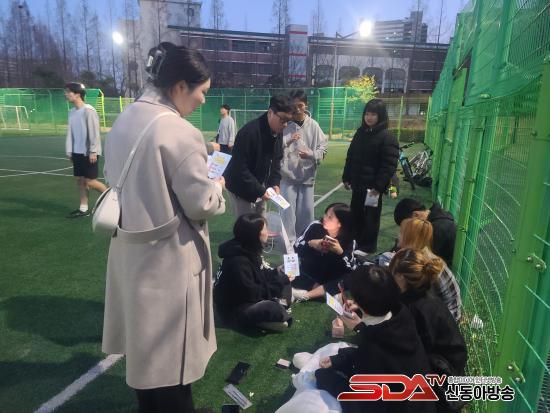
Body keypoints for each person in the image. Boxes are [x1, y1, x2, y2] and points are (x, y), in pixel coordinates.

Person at [102, 42, 225, 413]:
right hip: (168, 260)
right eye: (202, 91)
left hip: (130, 253)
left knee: (146, 357)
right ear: (180, 86)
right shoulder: (179, 131)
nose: (203, 100)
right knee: (173, 366)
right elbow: (201, 204)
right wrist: (217, 187)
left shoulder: (125, 118)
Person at [315, 265, 436, 413]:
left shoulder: (372, 349)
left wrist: (326, 379)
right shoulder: (402, 313)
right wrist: (340, 358)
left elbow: (362, 405)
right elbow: (387, 354)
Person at [389, 248, 467, 412]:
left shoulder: (415, 309)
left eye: (392, 273)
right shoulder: (422, 293)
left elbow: (408, 351)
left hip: (442, 381)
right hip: (450, 368)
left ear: (401, 277)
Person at [214, 213, 294, 332]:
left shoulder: (248, 249)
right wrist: (277, 283)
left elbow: (261, 275)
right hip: (236, 309)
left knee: (282, 277)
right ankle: (273, 314)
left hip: (248, 298)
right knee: (272, 307)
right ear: (255, 234)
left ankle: (274, 313)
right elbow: (251, 294)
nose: (268, 232)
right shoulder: (238, 262)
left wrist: (279, 275)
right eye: (265, 229)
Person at [342, 98, 399, 253]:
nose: (369, 117)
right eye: (367, 114)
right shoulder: (360, 133)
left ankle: (368, 246)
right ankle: (356, 241)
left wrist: (378, 186)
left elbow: (389, 165)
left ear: (381, 116)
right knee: (356, 213)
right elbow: (351, 157)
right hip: (358, 184)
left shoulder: (387, 137)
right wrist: (346, 177)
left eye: (373, 114)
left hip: (372, 188)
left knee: (371, 217)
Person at [224, 95, 294, 218]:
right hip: (240, 187)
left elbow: (276, 160)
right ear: (270, 113)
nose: (285, 125)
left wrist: (274, 183)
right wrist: (260, 190)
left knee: (261, 223)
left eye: (288, 120)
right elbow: (240, 169)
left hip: (259, 185)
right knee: (247, 224)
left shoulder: (277, 131)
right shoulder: (249, 133)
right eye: (283, 120)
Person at [377, 217, 462, 321]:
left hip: (445, 317)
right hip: (438, 312)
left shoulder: (424, 264)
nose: (398, 236)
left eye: (401, 233)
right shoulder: (419, 257)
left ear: (410, 237)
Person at [280, 89, 328, 244]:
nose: (297, 109)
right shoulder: (284, 125)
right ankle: (288, 245)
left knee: (306, 214)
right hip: (287, 177)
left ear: (306, 105)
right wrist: (288, 142)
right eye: (294, 106)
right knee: (286, 213)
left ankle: (304, 242)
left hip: (307, 177)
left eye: (300, 105)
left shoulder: (313, 125)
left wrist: (311, 154)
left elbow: (323, 148)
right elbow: (275, 148)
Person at [291, 203, 356, 301]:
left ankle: (306, 295)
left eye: (330, 217)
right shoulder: (315, 226)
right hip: (308, 271)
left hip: (331, 276)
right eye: (326, 214)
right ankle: (324, 292)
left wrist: (340, 252)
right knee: (289, 265)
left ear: (340, 223)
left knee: (349, 278)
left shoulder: (348, 239)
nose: (325, 218)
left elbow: (350, 268)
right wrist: (311, 244)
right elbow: (295, 248)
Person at [64, 82, 107, 217]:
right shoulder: (71, 112)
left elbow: (94, 132)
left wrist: (93, 151)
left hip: (89, 153)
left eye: (69, 92)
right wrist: (70, 151)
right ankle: (83, 209)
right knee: (80, 181)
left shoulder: (89, 110)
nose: (66, 94)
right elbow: (70, 133)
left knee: (90, 181)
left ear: (77, 94)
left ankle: (113, 201)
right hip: (76, 153)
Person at [394, 198, 457, 266]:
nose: (407, 230)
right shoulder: (436, 219)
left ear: (415, 215)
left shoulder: (436, 229)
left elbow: (417, 257)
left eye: (407, 226)